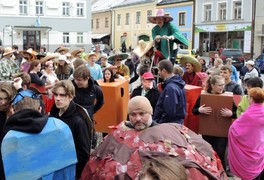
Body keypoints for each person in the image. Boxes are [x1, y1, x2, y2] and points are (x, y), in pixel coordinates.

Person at [80, 96, 226, 179]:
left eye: (142, 114)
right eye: (133, 114)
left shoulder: (169, 132)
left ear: (150, 113)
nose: (138, 118)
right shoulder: (117, 136)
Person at [192, 75, 237, 173]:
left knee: (220, 154)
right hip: (208, 132)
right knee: (208, 153)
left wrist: (230, 114)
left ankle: (221, 174)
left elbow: (237, 113)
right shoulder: (203, 96)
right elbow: (194, 111)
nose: (222, 87)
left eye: (223, 85)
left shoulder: (227, 97)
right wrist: (200, 110)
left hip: (222, 132)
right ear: (212, 85)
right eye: (220, 85)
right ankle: (210, 172)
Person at [49, 80, 92, 179]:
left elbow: (83, 154)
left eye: (62, 95)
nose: (58, 99)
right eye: (56, 95)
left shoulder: (78, 122)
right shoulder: (53, 114)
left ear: (71, 97)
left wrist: (69, 170)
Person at [228, 87, 264, 180]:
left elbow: (234, 129)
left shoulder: (248, 114)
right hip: (260, 148)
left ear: (251, 99)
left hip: (247, 150)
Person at [153, 60, 186, 124]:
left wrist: (159, 123)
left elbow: (169, 111)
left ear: (164, 71)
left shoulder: (170, 88)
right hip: (176, 123)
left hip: (168, 125)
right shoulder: (178, 84)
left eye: (159, 70)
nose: (158, 73)